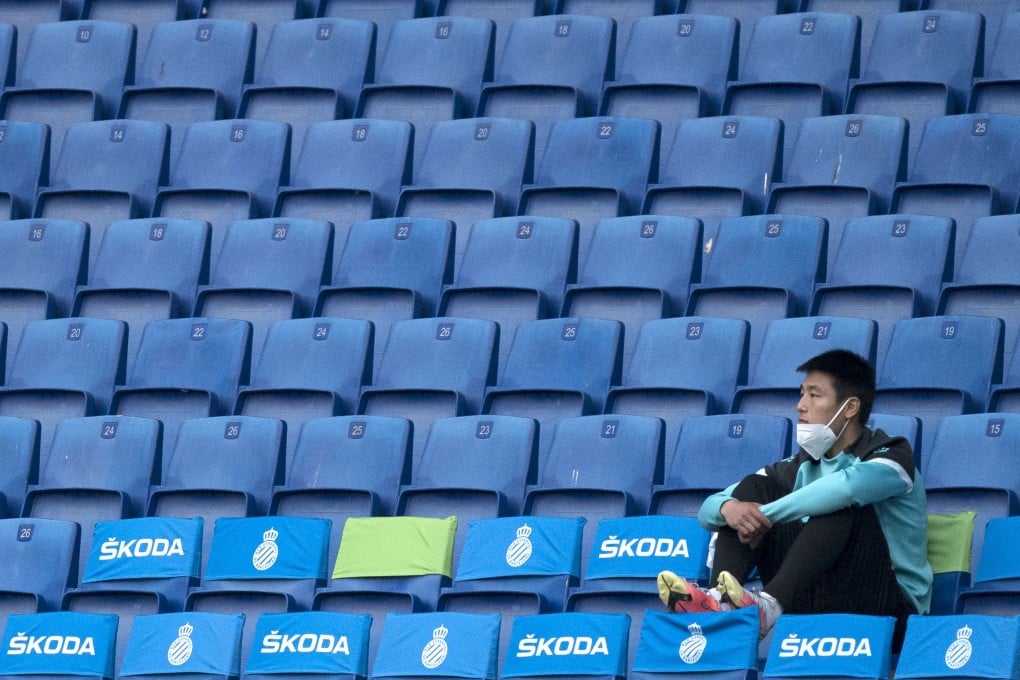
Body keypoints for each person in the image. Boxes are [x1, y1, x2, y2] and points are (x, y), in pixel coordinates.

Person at [657, 349, 933, 646]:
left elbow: (844, 489)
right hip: (818, 596)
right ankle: (720, 608)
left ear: (850, 407)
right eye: (801, 394)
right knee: (750, 490)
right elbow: (707, 510)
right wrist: (730, 508)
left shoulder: (893, 456)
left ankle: (768, 606)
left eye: (814, 396)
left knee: (836, 505)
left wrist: (764, 517)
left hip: (892, 612)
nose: (801, 406)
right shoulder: (800, 463)